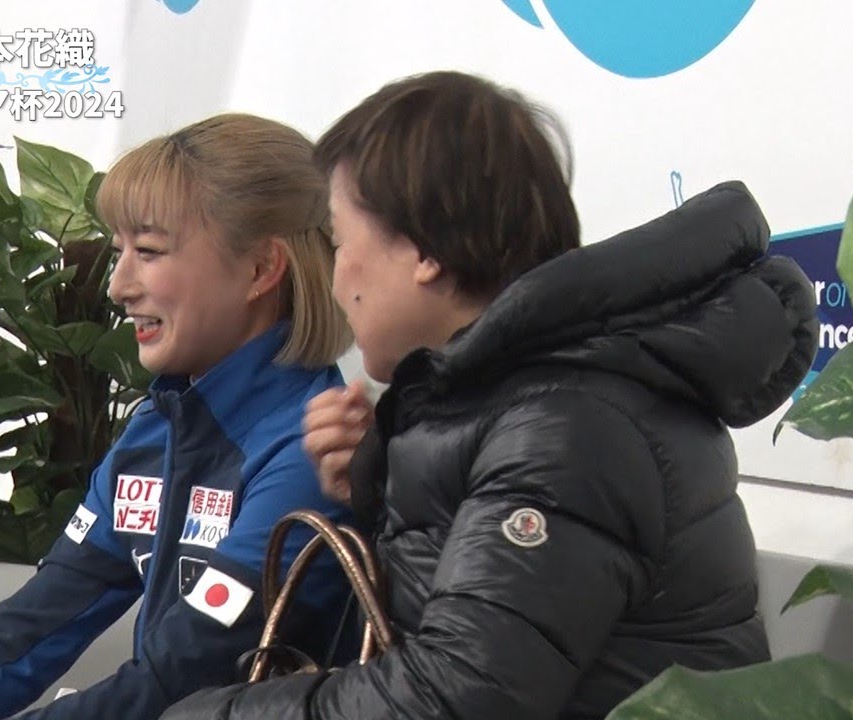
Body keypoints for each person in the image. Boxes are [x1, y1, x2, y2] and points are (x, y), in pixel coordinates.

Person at [161, 71, 818, 720]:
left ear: (424, 251)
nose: (336, 280)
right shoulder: (526, 403)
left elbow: (458, 696)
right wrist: (372, 490)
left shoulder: (565, 428)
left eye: (340, 242)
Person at [0, 113, 357, 720]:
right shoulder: (157, 428)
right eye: (119, 252)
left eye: (148, 252)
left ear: (259, 269)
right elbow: (31, 632)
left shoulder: (312, 449)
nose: (118, 286)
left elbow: (180, 677)